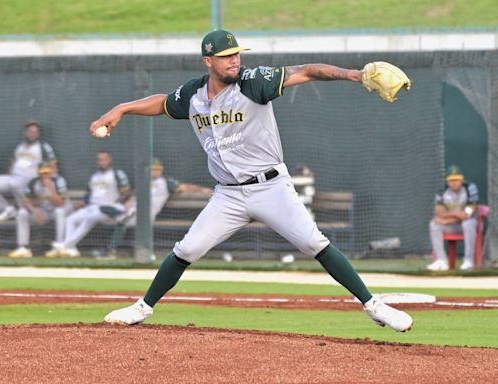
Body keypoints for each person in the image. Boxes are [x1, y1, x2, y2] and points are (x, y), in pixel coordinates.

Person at [90, 29, 413, 332]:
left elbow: (308, 71)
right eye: (226, 55)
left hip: (270, 187)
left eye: (237, 54)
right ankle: (142, 307)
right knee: (187, 249)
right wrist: (123, 108)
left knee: (315, 243)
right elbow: (162, 103)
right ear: (208, 61)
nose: (235, 60)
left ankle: (373, 305)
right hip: (228, 196)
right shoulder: (194, 94)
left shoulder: (252, 82)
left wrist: (354, 75)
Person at [100, 158, 212, 259]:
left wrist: (202, 189)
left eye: (158, 169)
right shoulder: (144, 181)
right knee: (115, 214)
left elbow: (185, 187)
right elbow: (134, 197)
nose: (155, 171)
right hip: (133, 209)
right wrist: (129, 202)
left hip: (148, 212)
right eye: (153, 169)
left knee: (123, 220)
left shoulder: (166, 182)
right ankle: (115, 217)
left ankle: (113, 249)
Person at [53, 150, 131, 257]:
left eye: (105, 159)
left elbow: (126, 193)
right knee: (70, 219)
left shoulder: (117, 174)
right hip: (93, 207)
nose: (102, 162)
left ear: (110, 160)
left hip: (108, 208)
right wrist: (83, 202)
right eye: (100, 160)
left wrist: (117, 203)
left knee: (89, 218)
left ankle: (65, 245)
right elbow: (88, 194)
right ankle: (71, 249)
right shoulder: (94, 176)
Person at [0, 122, 57, 221]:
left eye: (35, 132)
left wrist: (51, 182)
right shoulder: (20, 146)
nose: (33, 134)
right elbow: (13, 161)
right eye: (30, 131)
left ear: (38, 134)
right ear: (26, 133)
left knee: (15, 184)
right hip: (13, 177)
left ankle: (24, 210)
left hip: (30, 180)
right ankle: (7, 209)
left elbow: (53, 164)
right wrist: (10, 172)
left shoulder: (43, 146)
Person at [7, 162, 73, 258]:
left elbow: (60, 203)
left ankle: (59, 246)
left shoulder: (59, 180)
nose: (45, 175)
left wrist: (50, 187)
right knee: (22, 213)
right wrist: (34, 210)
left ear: (50, 172)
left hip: (59, 211)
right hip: (44, 212)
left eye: (47, 173)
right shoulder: (33, 182)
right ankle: (23, 248)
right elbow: (26, 201)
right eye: (42, 173)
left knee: (60, 211)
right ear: (38, 173)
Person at [427, 165, 479, 271]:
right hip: (453, 226)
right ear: (447, 181)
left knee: (467, 223)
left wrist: (447, 219)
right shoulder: (442, 191)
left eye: (457, 180)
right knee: (434, 225)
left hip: (471, 225)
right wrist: (456, 215)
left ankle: (468, 261)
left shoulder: (470, 188)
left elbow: (466, 215)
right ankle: (441, 261)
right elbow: (439, 213)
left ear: (462, 179)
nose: (454, 183)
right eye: (451, 180)